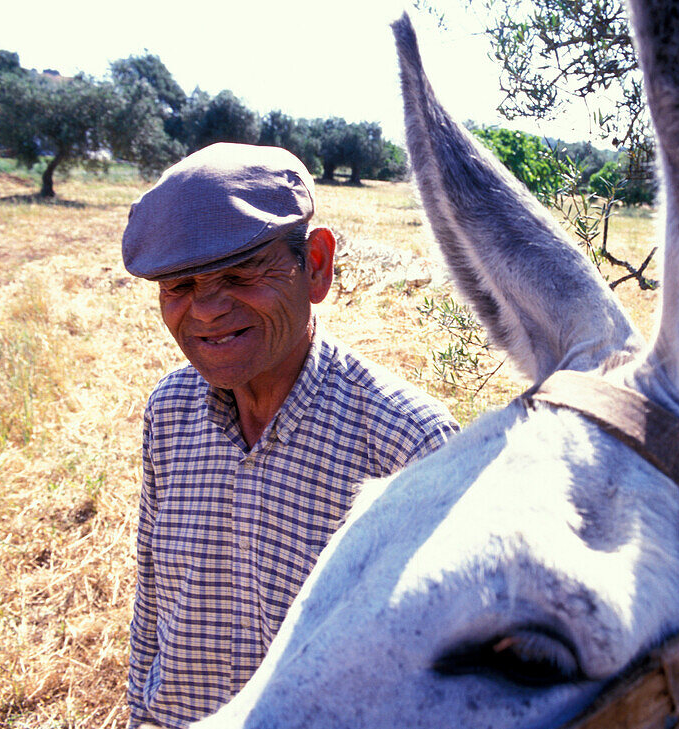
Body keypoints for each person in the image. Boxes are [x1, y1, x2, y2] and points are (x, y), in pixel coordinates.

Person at [121, 143, 459, 728]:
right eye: (178, 286)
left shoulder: (409, 446)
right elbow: (153, 599)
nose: (204, 311)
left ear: (318, 265)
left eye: (241, 273)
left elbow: (436, 677)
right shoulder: (169, 411)